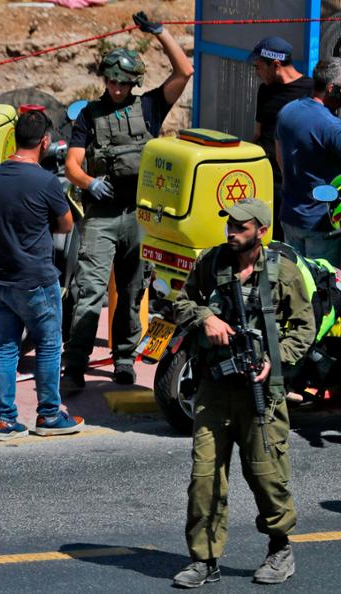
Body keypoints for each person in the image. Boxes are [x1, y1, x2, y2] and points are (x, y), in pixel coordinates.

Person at [170, 198, 315, 588]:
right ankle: (204, 560)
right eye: (230, 225)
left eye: (241, 227)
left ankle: (280, 549)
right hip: (214, 389)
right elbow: (181, 303)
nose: (231, 232)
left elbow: (303, 328)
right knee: (205, 478)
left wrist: (274, 361)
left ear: (261, 231)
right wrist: (206, 318)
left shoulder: (283, 272)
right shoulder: (211, 262)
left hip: (260, 393)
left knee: (268, 475)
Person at [62, 11, 193, 391]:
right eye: (111, 81)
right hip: (102, 216)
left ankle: (123, 359)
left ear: (133, 82)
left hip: (139, 216)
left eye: (123, 82)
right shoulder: (89, 115)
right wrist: (90, 183)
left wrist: (160, 33)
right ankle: (75, 365)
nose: (116, 88)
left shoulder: (150, 107)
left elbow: (184, 71)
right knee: (89, 292)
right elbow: (72, 164)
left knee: (133, 292)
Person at [0, 109, 84, 440]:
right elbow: (66, 224)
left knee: (6, 346)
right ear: (45, 142)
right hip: (35, 279)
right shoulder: (46, 181)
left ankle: (4, 420)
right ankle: (49, 415)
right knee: (49, 344)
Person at [276, 58, 341, 267]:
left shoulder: (288, 110)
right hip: (321, 227)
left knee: (295, 280)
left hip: (290, 216)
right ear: (332, 89)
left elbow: (279, 157)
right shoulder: (332, 127)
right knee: (322, 283)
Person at [249, 36, 313, 241]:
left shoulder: (309, 91)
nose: (257, 73)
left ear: (275, 64)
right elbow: (258, 133)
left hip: (293, 184)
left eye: (259, 67)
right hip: (265, 179)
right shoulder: (265, 91)